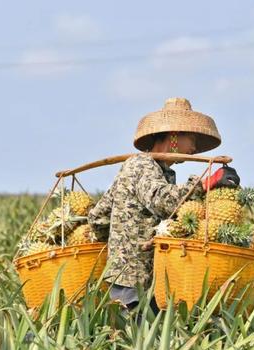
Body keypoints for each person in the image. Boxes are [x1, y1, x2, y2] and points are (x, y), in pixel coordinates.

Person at [88, 98, 240, 312]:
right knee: (136, 339)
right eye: (192, 139)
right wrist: (206, 184)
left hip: (149, 277)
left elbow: (98, 217)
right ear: (174, 136)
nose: (195, 148)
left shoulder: (160, 171)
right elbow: (162, 200)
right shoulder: (141, 164)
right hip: (134, 276)